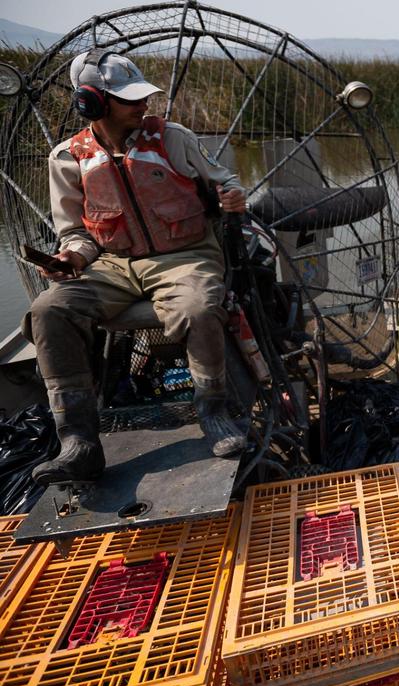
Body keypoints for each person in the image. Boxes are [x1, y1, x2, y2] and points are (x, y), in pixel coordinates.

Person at [23, 49, 247, 485]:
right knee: (49, 311)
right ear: (93, 102)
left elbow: (226, 182)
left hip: (185, 257)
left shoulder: (172, 139)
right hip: (111, 265)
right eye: (129, 98)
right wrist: (71, 257)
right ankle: (79, 441)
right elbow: (75, 233)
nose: (143, 105)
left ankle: (213, 412)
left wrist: (232, 196)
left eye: (143, 96)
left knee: (198, 308)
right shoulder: (67, 158)